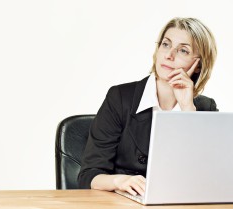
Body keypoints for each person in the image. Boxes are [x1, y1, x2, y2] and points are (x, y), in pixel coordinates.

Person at [78, 17, 218, 196]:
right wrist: (120, 181)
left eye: (183, 50)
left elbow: (209, 179)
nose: (169, 55)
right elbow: (88, 175)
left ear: (198, 65)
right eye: (166, 45)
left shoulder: (205, 108)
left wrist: (187, 109)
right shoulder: (120, 98)